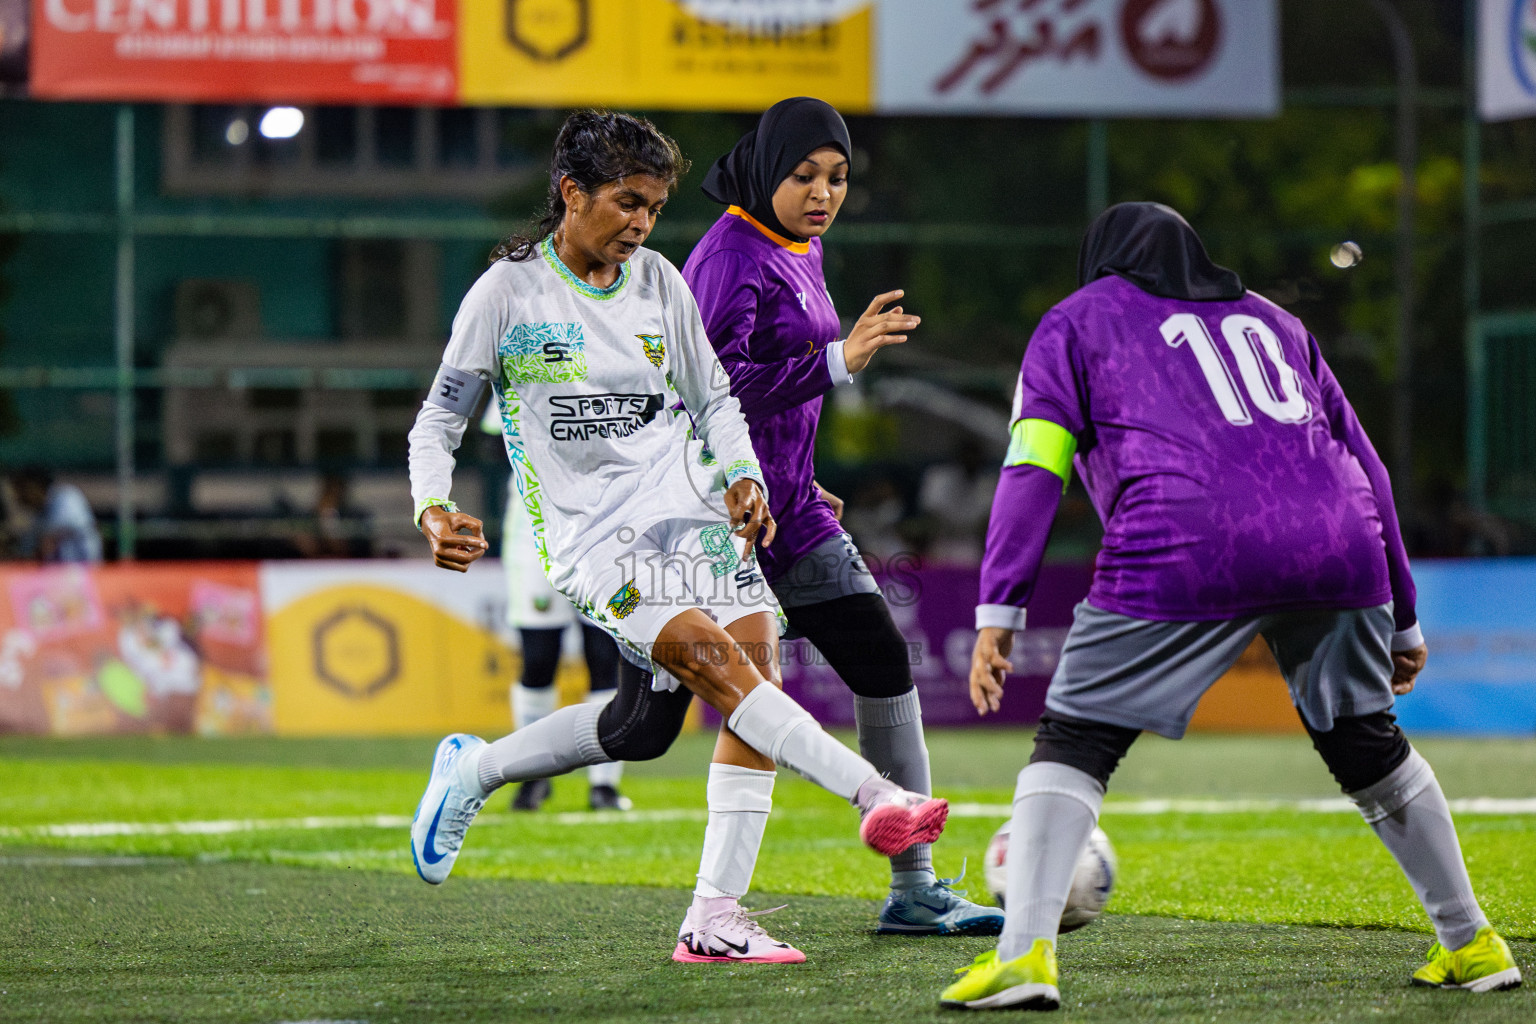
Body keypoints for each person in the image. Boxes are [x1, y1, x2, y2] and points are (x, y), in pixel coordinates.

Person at [940, 203, 1523, 1011]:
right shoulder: (1276, 322)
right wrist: (1405, 613)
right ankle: (1473, 942)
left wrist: (998, 610)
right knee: (1367, 743)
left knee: (1075, 738)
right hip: (1336, 537)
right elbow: (1369, 464)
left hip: (1186, 537)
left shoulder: (1075, 321)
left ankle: (1023, 956)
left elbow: (1035, 468)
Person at [405, 110, 948, 964]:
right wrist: (432, 508)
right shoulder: (507, 293)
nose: (640, 224)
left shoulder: (660, 280)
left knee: (674, 713)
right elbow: (437, 420)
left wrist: (744, 476)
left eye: (654, 207)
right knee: (721, 672)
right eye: (626, 202)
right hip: (594, 541)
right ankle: (875, 796)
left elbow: (718, 396)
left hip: (692, 511)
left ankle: (712, 915)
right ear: (571, 192)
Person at [682, 96, 1002, 939]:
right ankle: (486, 768)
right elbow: (709, 394)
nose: (823, 193)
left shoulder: (801, 247)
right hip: (720, 519)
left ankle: (915, 888)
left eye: (837, 178)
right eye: (804, 176)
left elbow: (777, 394)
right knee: (641, 728)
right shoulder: (726, 256)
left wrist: (803, 472)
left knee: (883, 663)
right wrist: (838, 359)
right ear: (766, 170)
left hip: (792, 509)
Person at [499, 476, 629, 811]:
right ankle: (533, 774)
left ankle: (604, 783)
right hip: (535, 527)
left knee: (604, 656)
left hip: (603, 525)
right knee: (539, 659)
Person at [9, 465, 102, 563]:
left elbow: (76, 526)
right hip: (58, 575)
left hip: (84, 570)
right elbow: (27, 548)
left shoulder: (66, 496)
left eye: (22, 489)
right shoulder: (39, 516)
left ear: (35, 486)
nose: (19, 497)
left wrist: (46, 542)